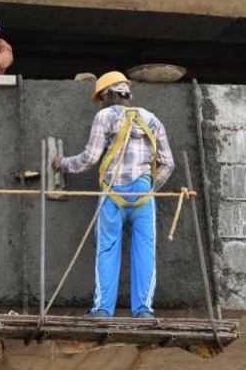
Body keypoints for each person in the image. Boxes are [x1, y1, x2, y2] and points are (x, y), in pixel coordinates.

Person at [52, 71, 174, 318]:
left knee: (107, 249)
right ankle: (143, 312)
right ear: (126, 94)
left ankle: (102, 310)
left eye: (102, 97)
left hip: (113, 193)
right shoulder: (151, 119)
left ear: (110, 94)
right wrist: (150, 189)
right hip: (143, 195)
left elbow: (89, 159)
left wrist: (61, 163)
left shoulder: (105, 116)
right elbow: (168, 163)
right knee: (145, 251)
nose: (102, 103)